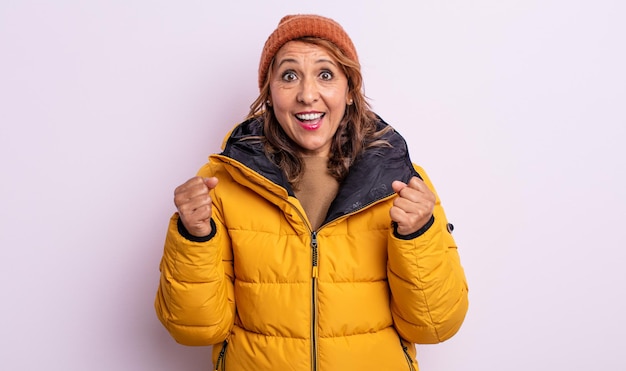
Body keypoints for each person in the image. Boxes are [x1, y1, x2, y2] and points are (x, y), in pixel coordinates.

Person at [155, 14, 468, 371]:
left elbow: (436, 325)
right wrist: (193, 237)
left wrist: (418, 235)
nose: (307, 94)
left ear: (349, 91)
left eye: (325, 74)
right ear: (269, 94)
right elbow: (195, 329)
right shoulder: (222, 182)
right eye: (289, 76)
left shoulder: (403, 182)